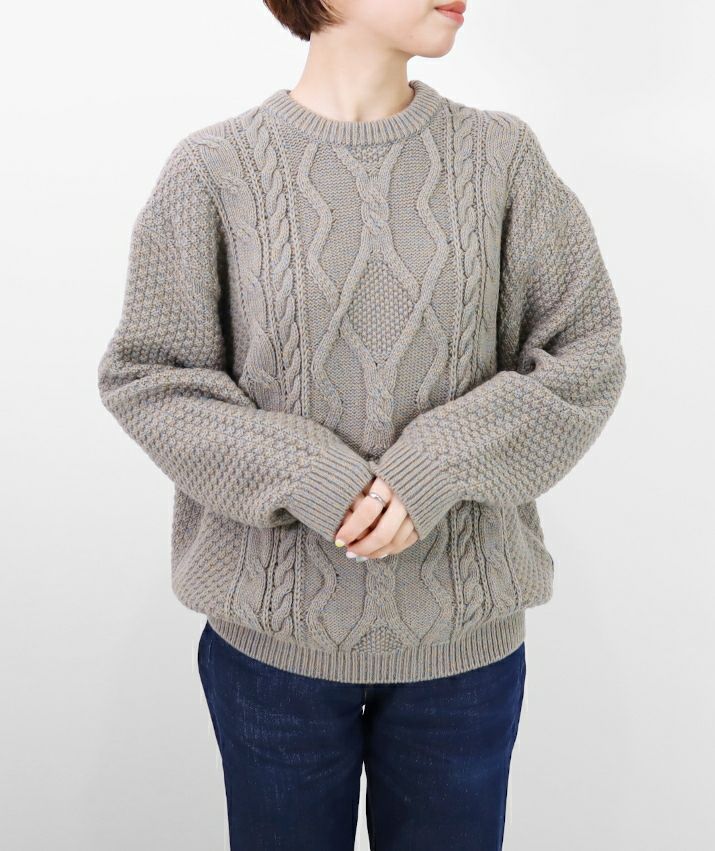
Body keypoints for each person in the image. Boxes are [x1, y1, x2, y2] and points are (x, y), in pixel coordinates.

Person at [96, 0, 626, 848]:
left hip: (463, 652)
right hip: (272, 653)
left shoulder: (501, 159)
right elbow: (150, 376)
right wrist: (309, 474)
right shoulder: (213, 169)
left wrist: (435, 466)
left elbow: (584, 353)